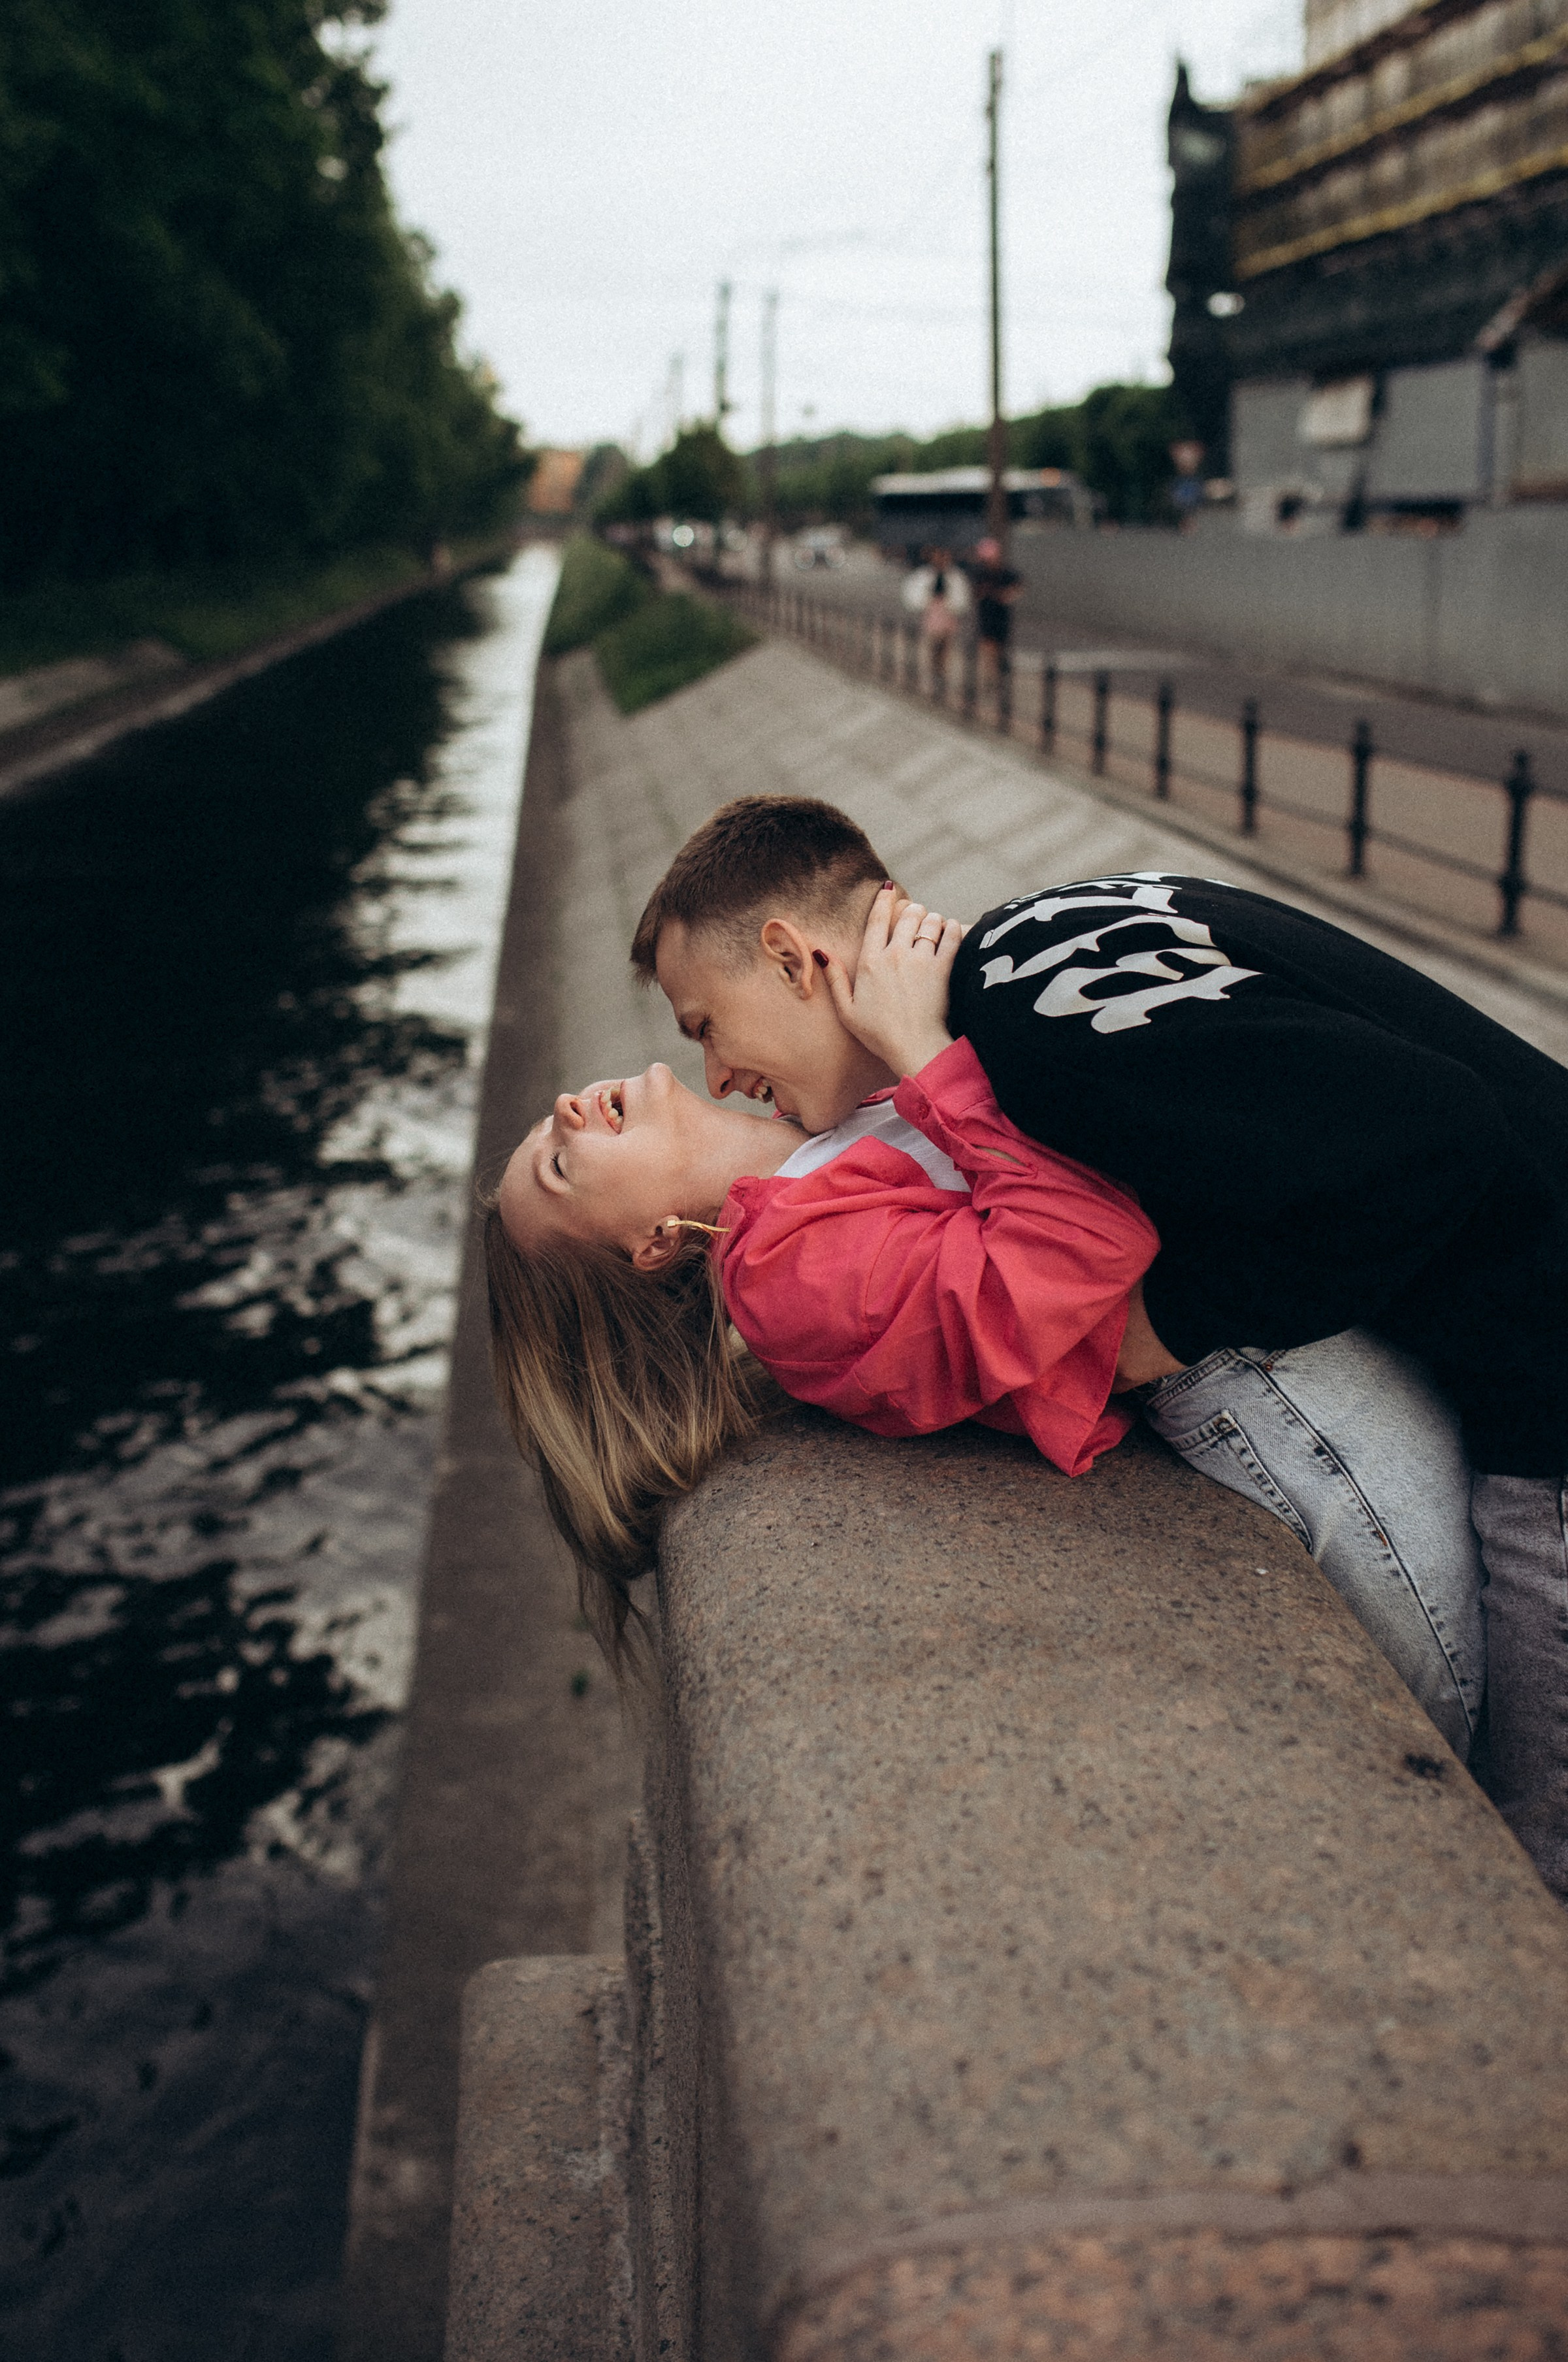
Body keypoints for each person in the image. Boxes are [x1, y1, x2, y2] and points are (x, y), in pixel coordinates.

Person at [628, 793, 1568, 1899]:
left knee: (1533, 1861)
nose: (719, 1075)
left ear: (791, 958)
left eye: (705, 1026)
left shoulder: (1031, 1044)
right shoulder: (1058, 930)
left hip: (1545, 1400)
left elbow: (1438, 1140)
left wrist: (1160, 1334)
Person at [486, 889, 1485, 1785]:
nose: (569, 1109)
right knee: (1456, 1708)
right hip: (1272, 1393)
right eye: (561, 1165)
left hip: (1278, 1317)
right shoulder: (788, 1276)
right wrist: (926, 1051)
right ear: (655, 1247)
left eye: (549, 1124)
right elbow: (1086, 1246)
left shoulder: (825, 1139)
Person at [900, 545, 970, 701]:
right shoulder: (925, 575)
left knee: (946, 645)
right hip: (933, 612)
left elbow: (961, 597)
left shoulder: (954, 576)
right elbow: (916, 595)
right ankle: (934, 672)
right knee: (933, 643)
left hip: (948, 612)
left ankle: (941, 672)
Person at [965, 534, 1022, 706]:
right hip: (986, 614)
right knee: (988, 648)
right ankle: (992, 679)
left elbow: (1019, 585)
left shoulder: (1006, 571)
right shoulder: (980, 572)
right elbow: (975, 592)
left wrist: (1008, 595)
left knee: (1000, 649)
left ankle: (997, 677)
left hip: (1001, 614)